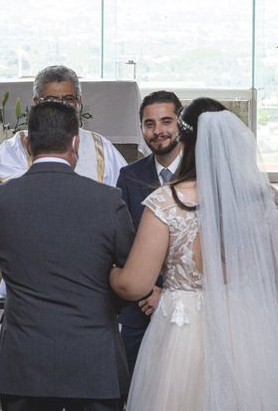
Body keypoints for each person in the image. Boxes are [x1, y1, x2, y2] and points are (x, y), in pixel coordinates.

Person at [110, 98, 278, 410]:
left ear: (186, 140)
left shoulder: (167, 201)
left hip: (184, 337)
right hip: (248, 333)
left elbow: (135, 285)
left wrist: (111, 272)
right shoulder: (267, 200)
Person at [0, 101, 133, 411]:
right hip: (93, 355)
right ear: (75, 141)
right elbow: (128, 272)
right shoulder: (107, 200)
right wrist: (107, 305)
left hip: (25, 357)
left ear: (27, 143)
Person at [0, 65, 127, 334]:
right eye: (53, 100)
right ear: (36, 103)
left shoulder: (102, 148)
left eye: (68, 99)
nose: (63, 106)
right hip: (32, 278)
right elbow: (23, 208)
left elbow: (120, 210)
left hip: (91, 277)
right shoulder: (15, 149)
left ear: (79, 102)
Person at [115, 90, 182, 376]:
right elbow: (123, 243)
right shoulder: (129, 176)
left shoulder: (203, 173)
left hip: (189, 310)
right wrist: (146, 290)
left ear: (181, 123)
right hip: (140, 310)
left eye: (166, 121)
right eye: (149, 124)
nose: (158, 132)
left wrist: (166, 291)